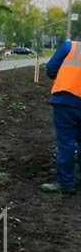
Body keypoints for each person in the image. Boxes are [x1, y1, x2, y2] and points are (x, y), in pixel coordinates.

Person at [42, 38, 80, 194]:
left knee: (66, 143)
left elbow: (50, 69)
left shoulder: (70, 46)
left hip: (66, 100)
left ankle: (66, 183)